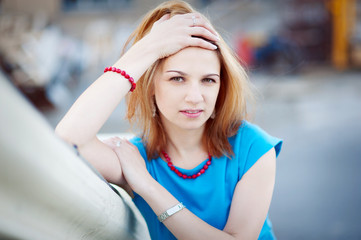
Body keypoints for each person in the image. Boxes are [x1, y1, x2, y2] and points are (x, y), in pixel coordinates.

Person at [55, 1, 283, 239]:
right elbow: (67, 139)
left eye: (208, 80)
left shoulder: (252, 147)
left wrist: (147, 185)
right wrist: (147, 49)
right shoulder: (135, 157)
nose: (195, 97)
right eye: (177, 79)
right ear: (151, 86)